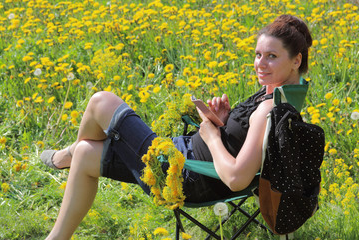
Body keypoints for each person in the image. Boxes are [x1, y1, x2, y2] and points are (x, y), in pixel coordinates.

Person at [41, 14, 312, 240]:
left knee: (102, 101)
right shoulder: (282, 95)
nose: (260, 64)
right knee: (87, 153)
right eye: (258, 54)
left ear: (296, 60)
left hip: (186, 174)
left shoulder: (269, 109)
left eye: (271, 56)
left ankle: (65, 155)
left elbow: (236, 178)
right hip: (186, 158)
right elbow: (247, 144)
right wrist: (224, 120)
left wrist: (211, 135)